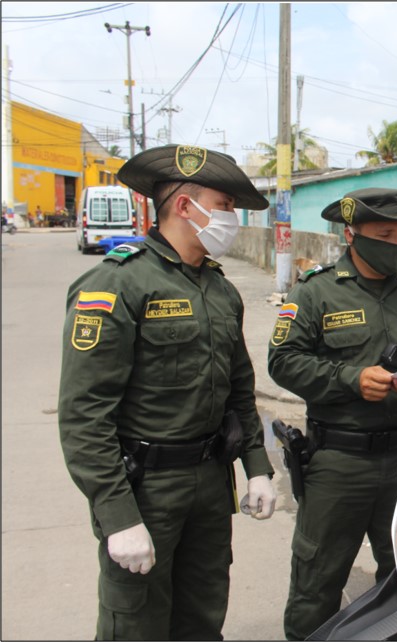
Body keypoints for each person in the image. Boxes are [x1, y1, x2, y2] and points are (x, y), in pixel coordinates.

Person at [57, 144, 277, 640]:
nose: (232, 219)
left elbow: (239, 389)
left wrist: (257, 467)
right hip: (146, 490)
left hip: (210, 482)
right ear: (184, 206)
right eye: (224, 206)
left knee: (202, 618)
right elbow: (85, 416)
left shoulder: (221, 290)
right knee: (136, 625)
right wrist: (117, 516)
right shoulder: (118, 283)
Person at [267, 187, 397, 639]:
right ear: (351, 234)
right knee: (317, 579)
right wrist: (350, 379)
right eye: (384, 235)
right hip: (340, 462)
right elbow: (283, 361)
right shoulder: (316, 291)